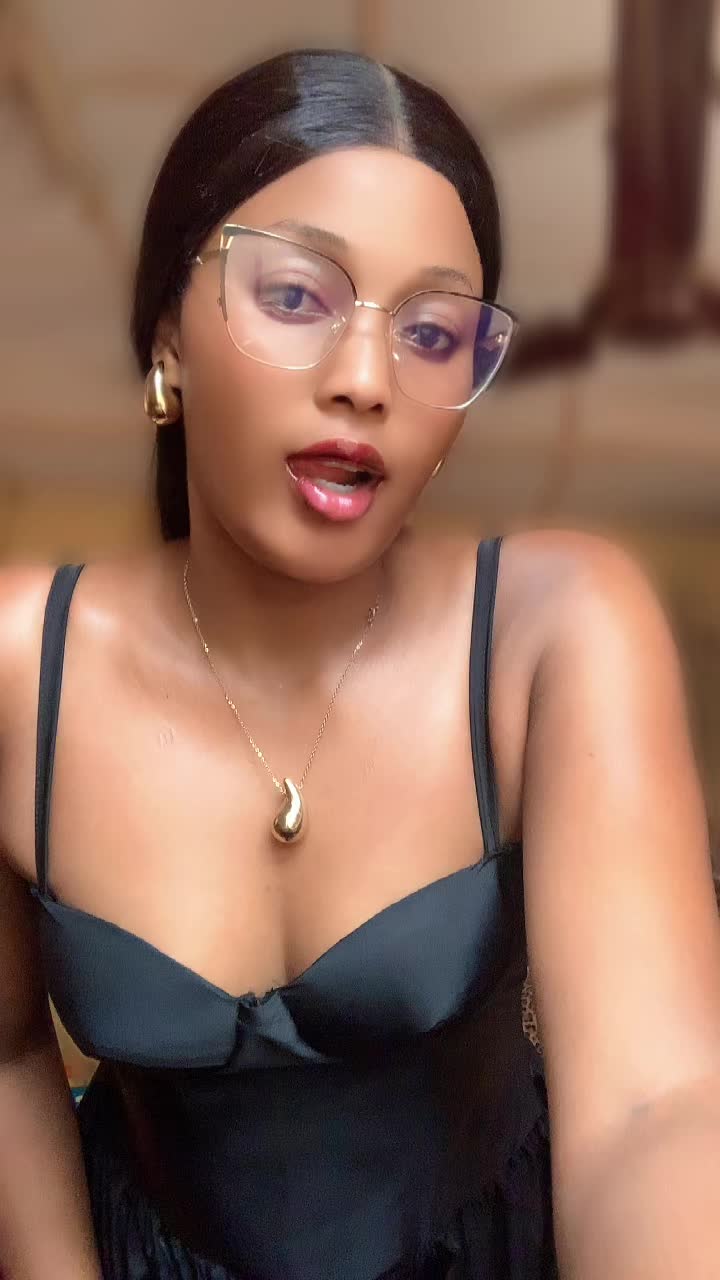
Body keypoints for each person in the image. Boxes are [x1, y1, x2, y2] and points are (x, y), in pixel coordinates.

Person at [1, 47, 720, 1280]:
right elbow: (8, 1050)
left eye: (433, 331)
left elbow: (659, 1107)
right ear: (168, 335)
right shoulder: (21, 664)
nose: (367, 381)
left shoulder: (557, 628)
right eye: (297, 296)